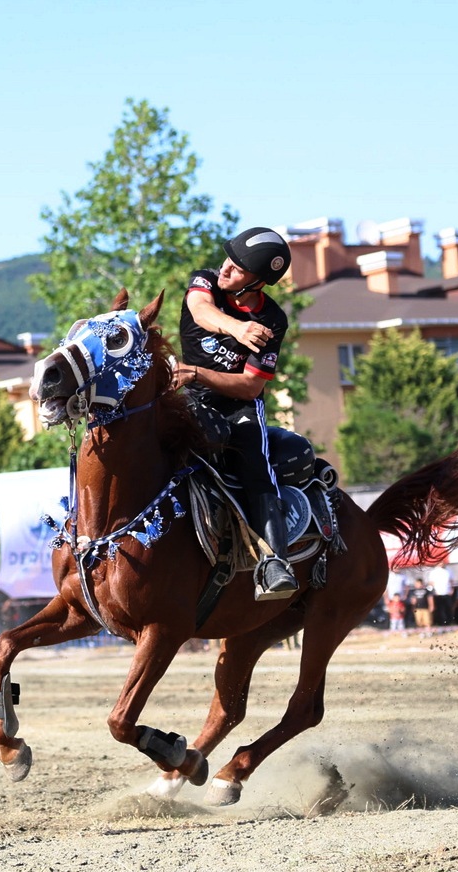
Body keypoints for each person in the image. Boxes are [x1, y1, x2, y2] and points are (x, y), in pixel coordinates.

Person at [171, 226, 301, 600]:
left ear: (258, 282)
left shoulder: (274, 321)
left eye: (239, 267)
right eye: (229, 258)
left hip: (236, 407)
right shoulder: (206, 281)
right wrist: (237, 328)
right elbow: (200, 311)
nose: (226, 268)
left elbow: (251, 387)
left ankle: (276, 563)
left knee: (256, 468)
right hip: (184, 396)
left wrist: (196, 372)